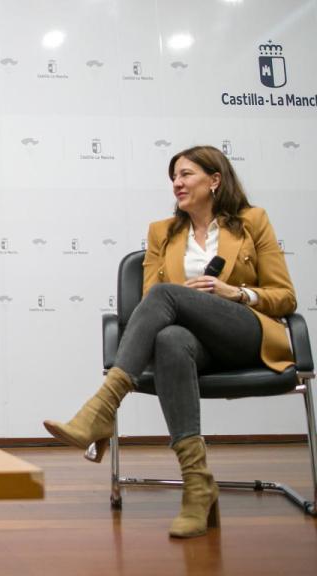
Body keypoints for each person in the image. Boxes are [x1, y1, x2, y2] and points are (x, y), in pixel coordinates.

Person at [44, 145, 296, 538]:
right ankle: (197, 485)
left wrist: (235, 293)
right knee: (170, 339)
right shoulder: (162, 232)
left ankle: (103, 408)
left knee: (166, 296)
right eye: (174, 177)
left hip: (246, 334)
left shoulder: (252, 221)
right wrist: (186, 298)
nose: (177, 183)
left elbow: (285, 296)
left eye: (186, 174)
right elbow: (149, 299)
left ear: (215, 180)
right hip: (195, 343)